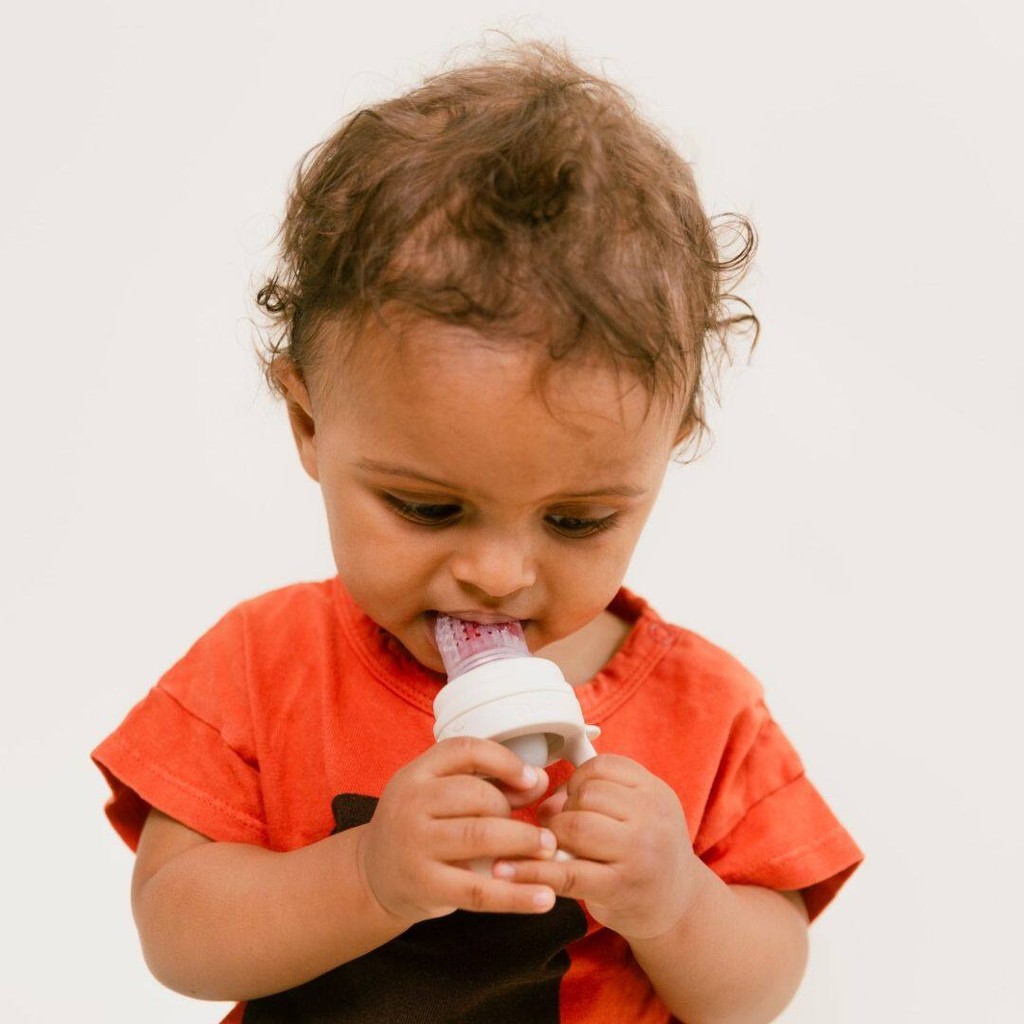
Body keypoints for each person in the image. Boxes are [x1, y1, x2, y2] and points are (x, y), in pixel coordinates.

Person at [92, 37, 863, 1024]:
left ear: (664, 452)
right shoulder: (263, 664)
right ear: (310, 424)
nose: (496, 573)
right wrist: (367, 876)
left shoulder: (706, 710)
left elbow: (760, 986)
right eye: (428, 507)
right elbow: (176, 933)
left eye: (578, 519)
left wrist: (678, 903)